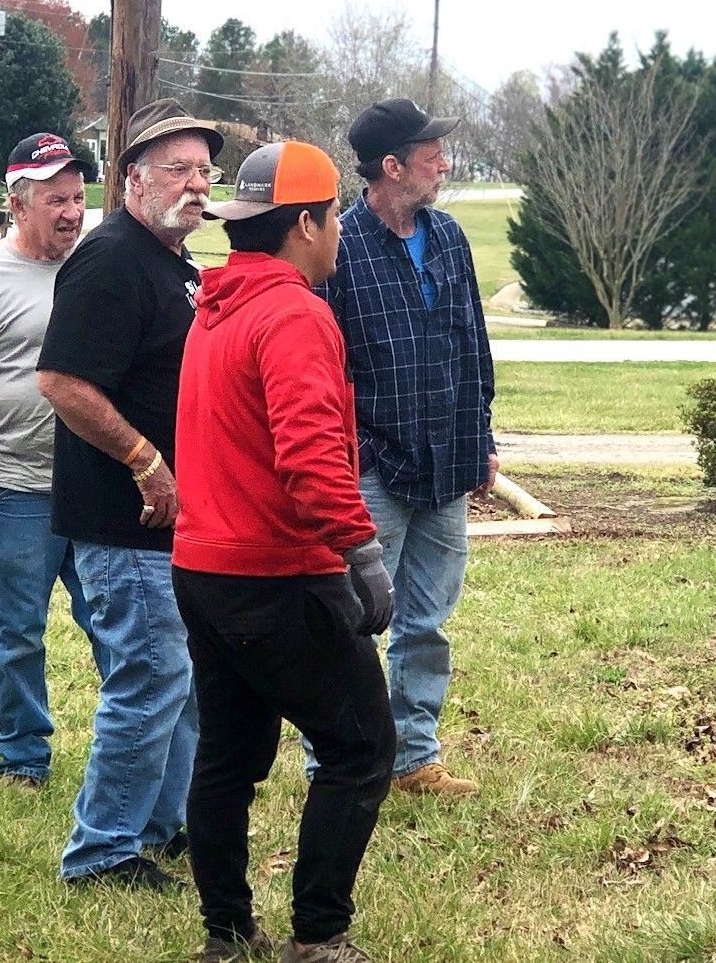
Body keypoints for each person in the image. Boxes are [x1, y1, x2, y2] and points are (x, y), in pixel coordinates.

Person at [172, 141, 397, 963]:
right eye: (335, 215)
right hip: (273, 573)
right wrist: (361, 552)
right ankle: (319, 937)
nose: (340, 231)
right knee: (362, 745)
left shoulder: (216, 306)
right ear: (305, 223)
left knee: (227, 758)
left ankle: (226, 936)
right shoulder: (296, 312)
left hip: (202, 567)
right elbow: (308, 459)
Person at [36, 100, 224, 888]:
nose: (194, 185)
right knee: (147, 681)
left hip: (171, 528)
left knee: (174, 680)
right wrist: (146, 458)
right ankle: (102, 852)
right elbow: (61, 381)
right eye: (176, 169)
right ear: (132, 179)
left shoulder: (170, 262)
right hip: (123, 522)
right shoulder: (110, 257)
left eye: (203, 171)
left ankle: (160, 822)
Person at [317, 98, 499, 798]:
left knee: (428, 621)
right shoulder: (340, 244)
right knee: (353, 619)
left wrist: (480, 438)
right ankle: (336, 761)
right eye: (431, 156)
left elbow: (471, 342)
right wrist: (353, 453)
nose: (443, 165)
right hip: (375, 469)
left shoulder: (448, 236)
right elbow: (326, 365)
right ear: (391, 167)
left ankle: (414, 756)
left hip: (448, 462)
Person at [0, 132, 106, 787]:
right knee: (19, 633)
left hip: (98, 485)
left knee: (117, 629)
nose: (71, 211)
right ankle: (23, 753)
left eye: (77, 197)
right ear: (19, 204)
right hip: (16, 489)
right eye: (56, 199)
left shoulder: (97, 264)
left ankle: (134, 740)